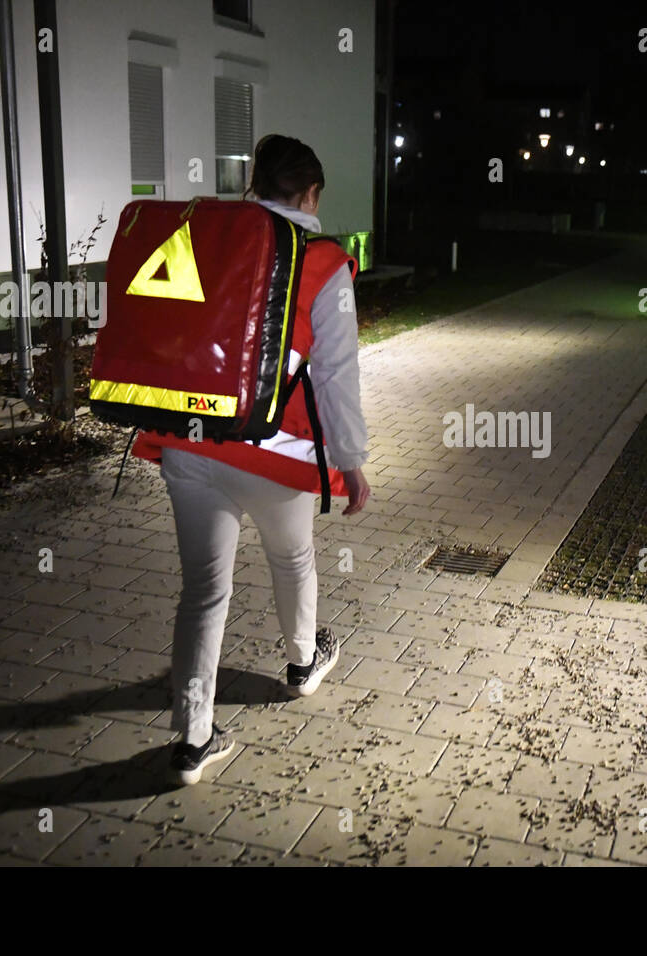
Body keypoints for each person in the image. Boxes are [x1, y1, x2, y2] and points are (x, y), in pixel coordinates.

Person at [130, 134, 372, 785]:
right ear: (312, 194)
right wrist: (350, 460)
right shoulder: (321, 261)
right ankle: (301, 664)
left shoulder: (208, 239)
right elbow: (338, 376)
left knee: (204, 592)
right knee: (292, 556)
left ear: (255, 187)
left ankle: (192, 740)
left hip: (188, 442)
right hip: (273, 454)